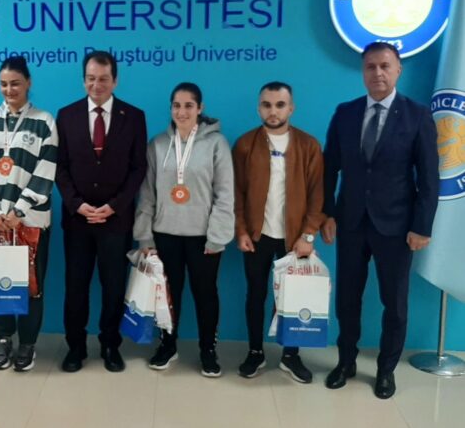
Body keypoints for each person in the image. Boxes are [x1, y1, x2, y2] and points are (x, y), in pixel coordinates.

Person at [322, 42, 438, 399]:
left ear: (398, 69)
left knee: (395, 304)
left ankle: (386, 370)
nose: (378, 73)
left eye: (385, 66)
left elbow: (429, 177)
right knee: (347, 300)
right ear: (363, 71)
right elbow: (329, 168)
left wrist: (422, 226)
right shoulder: (345, 113)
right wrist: (327, 212)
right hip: (351, 222)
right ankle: (346, 362)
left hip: (398, 227)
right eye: (370, 67)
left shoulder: (417, 116)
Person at [134, 82, 234, 376]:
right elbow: (147, 195)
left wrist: (217, 237)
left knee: (206, 295)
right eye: (176, 106)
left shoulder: (217, 144)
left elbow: (225, 194)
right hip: (165, 234)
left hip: (203, 237)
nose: (182, 112)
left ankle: (208, 350)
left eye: (189, 105)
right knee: (167, 295)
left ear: (200, 108)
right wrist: (145, 236)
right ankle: (168, 345)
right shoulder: (157, 144)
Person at [56, 50, 148, 373]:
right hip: (77, 220)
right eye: (91, 78)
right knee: (76, 287)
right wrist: (76, 204)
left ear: (115, 80)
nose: (97, 85)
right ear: (84, 80)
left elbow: (138, 168)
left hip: (115, 221)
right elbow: (60, 167)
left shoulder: (133, 116)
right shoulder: (66, 115)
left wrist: (115, 205)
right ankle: (76, 347)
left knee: (113, 287)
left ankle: (110, 345)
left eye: (104, 79)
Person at [232, 81, 326, 383]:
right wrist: (241, 230)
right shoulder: (245, 145)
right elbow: (236, 193)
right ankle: (255, 352)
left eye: (280, 105)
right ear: (259, 107)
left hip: (294, 239)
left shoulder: (309, 146)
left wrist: (308, 235)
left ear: (291, 108)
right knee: (255, 295)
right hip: (257, 236)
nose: (273, 111)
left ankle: (290, 355)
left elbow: (317, 195)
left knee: (292, 298)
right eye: (267, 105)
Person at [0, 56, 58, 371]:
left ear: (28, 83)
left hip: (30, 221)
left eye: (16, 84)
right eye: (4, 84)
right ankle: (3, 339)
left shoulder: (44, 122)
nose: (9, 90)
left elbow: (46, 170)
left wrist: (19, 210)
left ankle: (28, 343)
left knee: (31, 285)